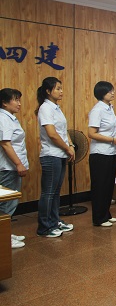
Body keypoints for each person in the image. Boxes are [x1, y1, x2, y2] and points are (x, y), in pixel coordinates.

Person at [36, 77, 75, 238]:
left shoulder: (56, 108)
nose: (61, 91)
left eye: (61, 88)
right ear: (48, 91)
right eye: (57, 88)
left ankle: (54, 221)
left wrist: (71, 145)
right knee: (49, 193)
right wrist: (67, 148)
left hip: (60, 154)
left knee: (56, 192)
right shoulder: (45, 108)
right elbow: (52, 134)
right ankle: (45, 227)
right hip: (51, 154)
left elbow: (63, 131)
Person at [88, 81, 116, 227]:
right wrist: (112, 139)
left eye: (113, 90)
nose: (113, 93)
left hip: (112, 152)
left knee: (108, 185)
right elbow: (91, 133)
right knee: (100, 186)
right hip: (100, 153)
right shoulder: (97, 110)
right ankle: (99, 218)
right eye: (110, 91)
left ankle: (106, 214)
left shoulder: (110, 108)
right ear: (102, 93)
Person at [0, 88, 29, 248]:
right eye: (15, 100)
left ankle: (6, 234)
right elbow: (5, 144)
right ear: (4, 102)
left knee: (10, 203)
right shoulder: (3, 118)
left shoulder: (10, 118)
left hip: (11, 167)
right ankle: (3, 238)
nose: (19, 103)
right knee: (6, 204)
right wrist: (18, 164)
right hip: (8, 167)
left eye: (19, 100)